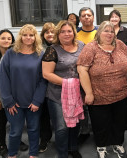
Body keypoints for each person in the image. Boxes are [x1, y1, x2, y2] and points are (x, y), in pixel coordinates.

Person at [77, 21, 127, 158]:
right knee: (100, 124)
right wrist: (88, 93)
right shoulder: (91, 48)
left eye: (112, 31)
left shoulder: (121, 45)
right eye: (106, 31)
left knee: (119, 123)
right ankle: (101, 146)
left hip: (122, 94)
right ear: (99, 32)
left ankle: (118, 143)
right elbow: (82, 70)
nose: (109, 34)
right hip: (98, 96)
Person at [0, 24, 47, 158]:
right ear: (20, 36)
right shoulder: (10, 53)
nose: (28, 37)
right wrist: (8, 101)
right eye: (24, 35)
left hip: (34, 102)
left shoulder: (41, 54)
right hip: (14, 103)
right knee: (15, 131)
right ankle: (12, 154)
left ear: (35, 37)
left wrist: (37, 100)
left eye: (31, 35)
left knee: (34, 129)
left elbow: (43, 80)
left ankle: (33, 154)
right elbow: (3, 79)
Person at [42, 20, 84, 158]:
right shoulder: (52, 50)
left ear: (74, 32)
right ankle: (62, 153)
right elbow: (46, 74)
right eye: (63, 31)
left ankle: (72, 147)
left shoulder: (82, 46)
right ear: (58, 34)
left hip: (77, 94)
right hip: (57, 95)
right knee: (62, 127)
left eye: (69, 31)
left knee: (75, 123)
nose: (66, 34)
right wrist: (70, 83)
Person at [0, 29, 29, 157]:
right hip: (2, 98)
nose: (6, 41)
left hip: (17, 96)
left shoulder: (17, 56)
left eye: (9, 39)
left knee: (16, 122)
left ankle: (17, 140)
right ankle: (2, 145)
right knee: (3, 121)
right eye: (3, 38)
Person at [77, 7, 97, 144]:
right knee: (83, 103)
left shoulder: (98, 32)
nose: (86, 17)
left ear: (93, 17)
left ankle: (97, 130)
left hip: (96, 73)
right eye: (83, 15)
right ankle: (84, 130)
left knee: (96, 103)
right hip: (80, 73)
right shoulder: (75, 33)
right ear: (80, 19)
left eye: (89, 15)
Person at [38, 22, 55, 153]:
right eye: (47, 32)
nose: (50, 34)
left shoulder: (60, 46)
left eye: (52, 32)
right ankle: (45, 138)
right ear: (43, 34)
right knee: (43, 115)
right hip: (42, 85)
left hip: (57, 85)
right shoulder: (38, 49)